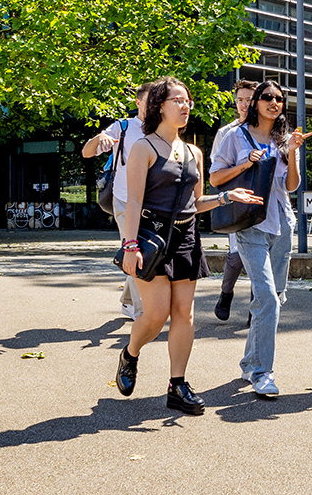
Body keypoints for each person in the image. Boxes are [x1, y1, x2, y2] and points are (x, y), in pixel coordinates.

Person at [113, 78, 263, 415]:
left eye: (188, 101)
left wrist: (227, 196)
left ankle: (177, 385)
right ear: (159, 106)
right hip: (151, 239)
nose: (185, 106)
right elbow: (135, 200)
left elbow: (194, 203)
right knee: (154, 316)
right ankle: (130, 353)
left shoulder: (194, 151)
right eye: (177, 100)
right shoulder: (144, 147)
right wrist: (131, 245)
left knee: (184, 313)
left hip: (186, 237)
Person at [208, 80, 301, 400]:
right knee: (268, 298)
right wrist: (245, 162)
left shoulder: (283, 138)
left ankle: (249, 362)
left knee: (272, 298)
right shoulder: (234, 136)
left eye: (279, 99)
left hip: (281, 224)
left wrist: (293, 152)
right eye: (267, 98)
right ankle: (263, 372)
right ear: (255, 103)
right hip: (250, 225)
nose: (274, 103)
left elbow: (291, 186)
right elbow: (215, 178)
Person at [82, 87, 149, 319]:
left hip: (154, 201)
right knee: (135, 250)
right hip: (125, 198)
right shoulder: (123, 126)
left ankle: (128, 301)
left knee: (147, 253)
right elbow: (86, 152)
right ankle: (142, 313)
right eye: (149, 101)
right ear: (138, 102)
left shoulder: (163, 129)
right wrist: (99, 138)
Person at [210, 83, 256, 322]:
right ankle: (226, 293)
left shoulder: (268, 129)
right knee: (237, 255)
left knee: (261, 256)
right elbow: (217, 171)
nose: (244, 104)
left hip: (262, 201)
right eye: (240, 99)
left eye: (249, 99)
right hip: (237, 199)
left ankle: (254, 309)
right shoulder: (226, 133)